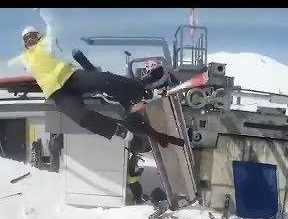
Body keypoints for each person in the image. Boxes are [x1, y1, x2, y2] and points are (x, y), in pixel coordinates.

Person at [11, 25, 183, 148]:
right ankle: (122, 129)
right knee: (85, 114)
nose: (31, 41)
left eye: (33, 37)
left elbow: (52, 31)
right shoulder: (26, 57)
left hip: (74, 79)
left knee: (103, 80)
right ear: (25, 44)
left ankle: (141, 93)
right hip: (60, 93)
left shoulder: (45, 44)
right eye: (28, 39)